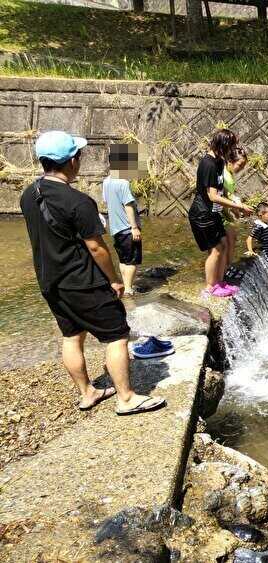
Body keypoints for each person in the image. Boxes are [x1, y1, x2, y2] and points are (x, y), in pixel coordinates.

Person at [20, 130, 165, 416]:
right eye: (79, 155)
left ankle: (87, 392)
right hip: (82, 281)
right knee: (116, 335)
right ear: (72, 161)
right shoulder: (78, 201)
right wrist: (113, 280)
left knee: (72, 336)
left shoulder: (28, 195)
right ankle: (126, 398)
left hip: (50, 281)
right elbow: (97, 249)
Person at [190, 128, 252, 298]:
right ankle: (210, 287)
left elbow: (222, 191)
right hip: (202, 213)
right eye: (231, 145)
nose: (232, 149)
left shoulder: (218, 161)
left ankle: (219, 282)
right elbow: (212, 196)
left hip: (213, 213)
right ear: (223, 145)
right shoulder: (208, 164)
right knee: (216, 249)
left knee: (223, 245)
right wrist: (238, 207)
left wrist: (235, 204)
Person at [102, 143, 144, 296]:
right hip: (127, 228)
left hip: (115, 229)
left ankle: (126, 285)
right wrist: (134, 227)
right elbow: (128, 206)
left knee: (122, 259)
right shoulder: (123, 182)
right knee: (132, 260)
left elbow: (107, 202)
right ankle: (128, 289)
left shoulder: (106, 181)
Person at [221, 147, 248, 266]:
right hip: (219, 212)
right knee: (229, 240)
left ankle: (227, 266)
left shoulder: (229, 173)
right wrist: (238, 207)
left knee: (231, 239)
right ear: (230, 161)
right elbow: (224, 195)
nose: (241, 168)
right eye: (240, 164)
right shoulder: (224, 175)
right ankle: (226, 268)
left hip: (224, 211)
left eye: (243, 166)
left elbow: (229, 195)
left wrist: (236, 208)